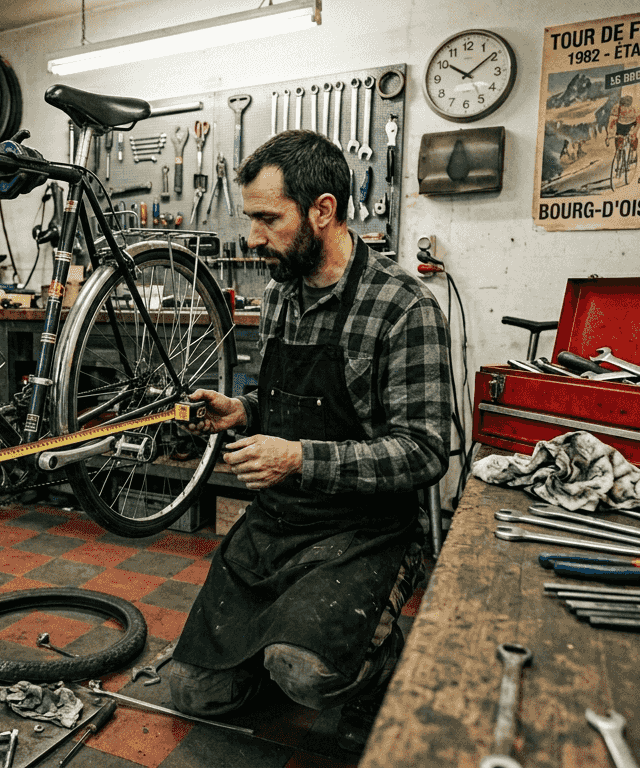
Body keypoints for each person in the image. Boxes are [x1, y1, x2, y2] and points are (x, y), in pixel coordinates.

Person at [166, 130, 453, 753]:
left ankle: (374, 658)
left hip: (362, 531)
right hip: (279, 524)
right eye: (252, 218)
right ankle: (283, 643)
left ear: (323, 210)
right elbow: (283, 402)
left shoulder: (404, 307)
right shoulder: (280, 295)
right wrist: (242, 412)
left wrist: (297, 457)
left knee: (307, 673)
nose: (252, 237)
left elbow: (425, 450)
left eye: (268, 219)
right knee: (193, 691)